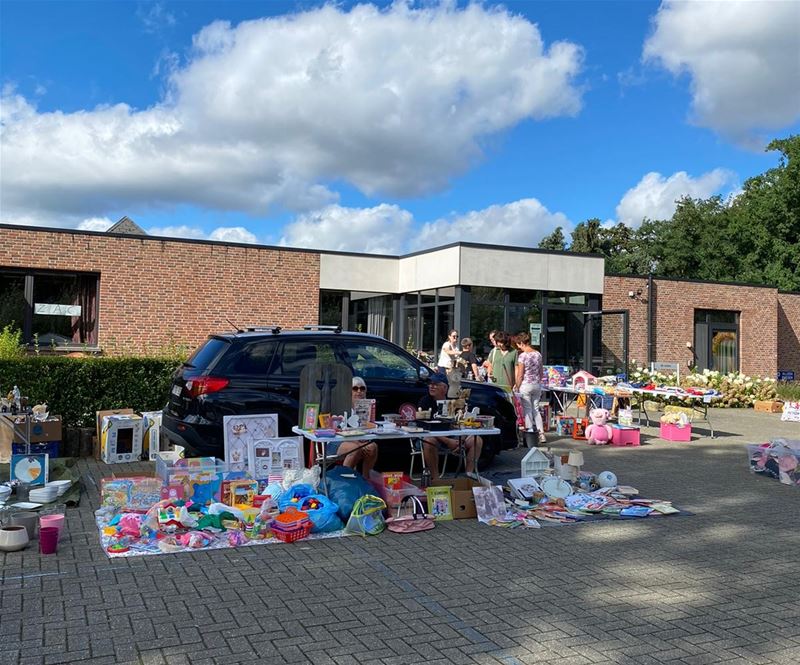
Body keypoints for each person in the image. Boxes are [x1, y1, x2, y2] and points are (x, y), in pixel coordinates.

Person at [419, 373, 482, 480]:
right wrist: (448, 441)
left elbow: (456, 423)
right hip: (434, 437)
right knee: (429, 441)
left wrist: (462, 437)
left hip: (451, 435)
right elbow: (424, 428)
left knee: (477, 440)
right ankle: (436, 480)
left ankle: (469, 475)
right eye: (430, 384)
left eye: (435, 384)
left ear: (444, 388)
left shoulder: (452, 401)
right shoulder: (425, 401)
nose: (431, 386)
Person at [329, 377, 378, 479]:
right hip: (336, 441)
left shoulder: (367, 407)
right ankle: (345, 481)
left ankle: (366, 480)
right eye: (355, 389)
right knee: (355, 449)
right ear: (349, 391)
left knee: (372, 447)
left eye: (362, 389)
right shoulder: (341, 406)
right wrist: (357, 441)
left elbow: (369, 427)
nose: (359, 392)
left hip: (358, 440)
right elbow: (337, 429)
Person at [512, 332, 547, 446]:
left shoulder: (523, 356)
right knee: (536, 409)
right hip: (537, 384)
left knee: (527, 410)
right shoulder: (538, 354)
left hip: (526, 385)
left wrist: (517, 386)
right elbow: (541, 372)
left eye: (518, 344)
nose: (518, 346)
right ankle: (541, 434)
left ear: (522, 343)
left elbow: (520, 375)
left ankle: (530, 432)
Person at [437, 329, 462, 396]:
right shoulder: (446, 344)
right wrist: (460, 353)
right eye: (454, 336)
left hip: (451, 369)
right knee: (443, 386)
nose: (455, 338)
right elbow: (449, 352)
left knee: (451, 386)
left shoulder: (456, 347)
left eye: (457, 336)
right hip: (443, 368)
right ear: (449, 337)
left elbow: (455, 360)